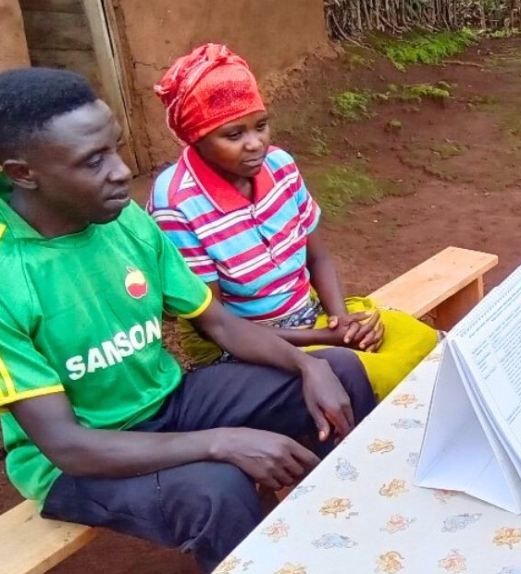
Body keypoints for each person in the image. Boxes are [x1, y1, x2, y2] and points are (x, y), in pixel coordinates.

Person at [0, 68, 377, 572]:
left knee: (339, 371)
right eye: (94, 161)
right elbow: (68, 447)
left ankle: (353, 530)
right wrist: (220, 441)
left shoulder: (123, 219)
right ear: (24, 173)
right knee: (218, 488)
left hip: (168, 402)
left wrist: (308, 367)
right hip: (82, 456)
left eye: (115, 148)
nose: (122, 172)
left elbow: (219, 323)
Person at [146, 44, 437, 401]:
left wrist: (341, 321)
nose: (255, 144)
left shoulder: (280, 166)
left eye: (261, 126)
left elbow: (318, 258)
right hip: (243, 347)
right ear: (196, 138)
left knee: (422, 340)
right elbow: (216, 328)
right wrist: (325, 339)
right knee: (370, 375)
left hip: (310, 314)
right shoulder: (177, 203)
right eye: (234, 135)